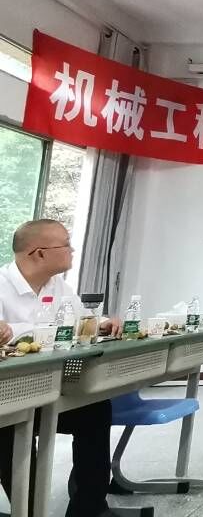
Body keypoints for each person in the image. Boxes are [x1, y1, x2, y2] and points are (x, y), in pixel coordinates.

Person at [0, 219, 122, 517]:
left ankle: (88, 508)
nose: (72, 251)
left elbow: (82, 322)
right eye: (66, 245)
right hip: (6, 399)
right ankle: (29, 510)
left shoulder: (59, 286)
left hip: (47, 391)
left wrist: (104, 323)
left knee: (94, 408)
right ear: (38, 253)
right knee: (10, 428)